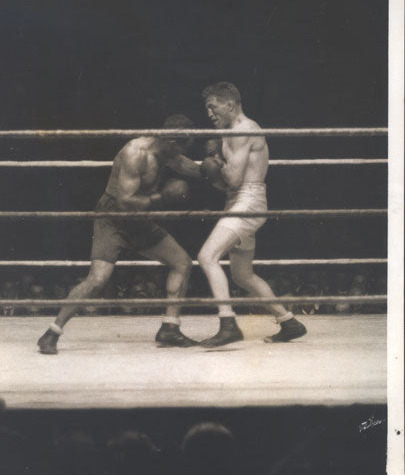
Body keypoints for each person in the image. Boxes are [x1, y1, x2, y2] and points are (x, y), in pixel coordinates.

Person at [37, 114, 201, 354]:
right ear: (173, 141)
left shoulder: (167, 151)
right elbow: (125, 201)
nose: (180, 155)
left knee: (182, 263)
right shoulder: (136, 153)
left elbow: (186, 166)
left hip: (139, 221)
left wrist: (210, 169)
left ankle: (170, 328)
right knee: (97, 280)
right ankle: (52, 332)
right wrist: (163, 197)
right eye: (182, 147)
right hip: (113, 217)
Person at [197, 82, 307, 346]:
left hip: (247, 200)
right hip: (239, 200)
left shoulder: (243, 130)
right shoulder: (232, 131)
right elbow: (227, 183)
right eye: (207, 109)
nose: (209, 114)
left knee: (207, 256)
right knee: (242, 274)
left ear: (229, 104)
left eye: (212, 107)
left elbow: (234, 179)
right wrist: (215, 169)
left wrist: (215, 165)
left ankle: (228, 323)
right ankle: (289, 321)